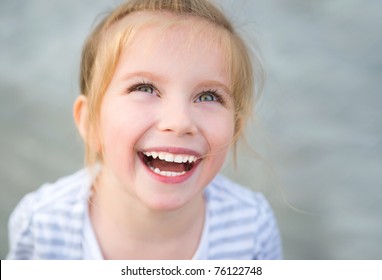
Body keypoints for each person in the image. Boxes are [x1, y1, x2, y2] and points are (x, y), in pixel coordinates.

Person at [7, 0, 282, 260]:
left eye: (209, 96)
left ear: (235, 128)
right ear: (90, 122)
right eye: (144, 88)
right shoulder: (42, 225)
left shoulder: (252, 228)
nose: (180, 121)